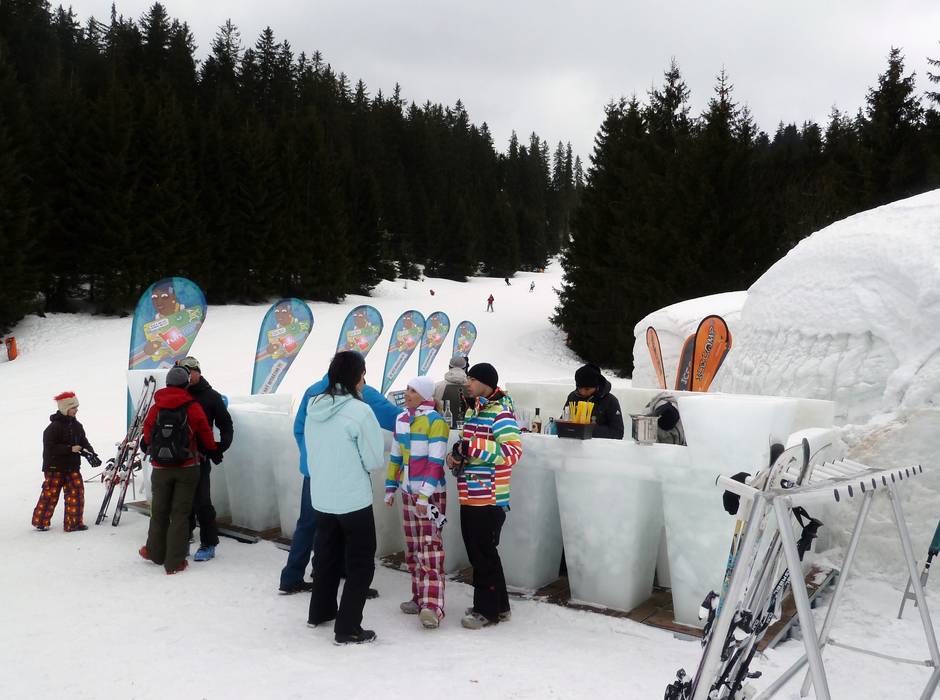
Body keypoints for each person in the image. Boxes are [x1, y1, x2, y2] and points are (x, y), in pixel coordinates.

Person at [280, 370, 398, 595]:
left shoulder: (313, 391)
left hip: (314, 471)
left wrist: (310, 457)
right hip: (344, 475)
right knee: (348, 527)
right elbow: (392, 416)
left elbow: (299, 428)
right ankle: (344, 576)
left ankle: (294, 576)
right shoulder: (359, 391)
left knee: (310, 524)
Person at [304, 351, 386, 645]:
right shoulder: (360, 411)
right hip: (352, 499)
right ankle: (348, 627)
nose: (364, 380)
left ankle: (320, 611)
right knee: (361, 562)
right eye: (363, 374)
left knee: (327, 556)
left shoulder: (314, 405)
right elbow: (374, 459)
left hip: (322, 496)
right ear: (355, 376)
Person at [447, 362, 522, 629]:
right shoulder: (474, 411)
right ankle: (499, 606)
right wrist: (456, 456)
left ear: (487, 383)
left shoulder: (501, 413)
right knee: (482, 553)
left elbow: (512, 452)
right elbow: (469, 447)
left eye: (473, 379)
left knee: (483, 556)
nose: (467, 383)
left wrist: (472, 447)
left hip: (489, 497)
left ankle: (486, 611)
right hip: (470, 493)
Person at [139, 366, 220, 575]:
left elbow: (147, 433)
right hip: (187, 468)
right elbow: (205, 432)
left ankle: (155, 553)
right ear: (186, 385)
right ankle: (174, 562)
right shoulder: (192, 406)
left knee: (159, 511)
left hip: (160, 468)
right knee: (180, 514)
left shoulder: (156, 407)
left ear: (167, 384)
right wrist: (213, 450)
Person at [384, 376, 450, 629]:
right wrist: (390, 487)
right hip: (407, 493)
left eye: (413, 390)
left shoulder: (435, 421)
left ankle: (432, 607)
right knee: (413, 548)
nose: (408, 393)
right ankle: (419, 596)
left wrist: (424, 495)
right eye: (407, 389)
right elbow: (396, 457)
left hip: (430, 495)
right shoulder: (401, 419)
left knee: (430, 548)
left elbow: (436, 462)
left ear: (424, 395)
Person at [176, 356, 233, 562]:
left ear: (198, 372)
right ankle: (184, 536)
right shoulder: (177, 394)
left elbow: (226, 425)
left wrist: (219, 447)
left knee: (202, 502)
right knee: (182, 502)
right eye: (183, 372)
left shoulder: (211, 396)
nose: (186, 376)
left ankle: (209, 543)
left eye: (189, 371)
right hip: (177, 458)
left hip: (200, 457)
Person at [32, 391, 95, 532]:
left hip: (72, 466)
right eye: (73, 408)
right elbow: (50, 447)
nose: (76, 410)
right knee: (50, 495)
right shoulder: (53, 427)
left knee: (76, 493)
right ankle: (41, 521)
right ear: (65, 408)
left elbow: (83, 442)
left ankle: (74, 523)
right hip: (54, 467)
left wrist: (90, 452)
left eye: (77, 407)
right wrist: (69, 449)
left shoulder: (77, 426)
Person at [562, 363, 624, 439]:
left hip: (599, 445)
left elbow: (618, 432)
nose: (583, 392)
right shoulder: (573, 396)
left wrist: (589, 429)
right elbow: (564, 420)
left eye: (587, 389)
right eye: (580, 388)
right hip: (572, 443)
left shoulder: (610, 401)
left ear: (596, 386)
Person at [433, 355, 469, 426]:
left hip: (440, 428)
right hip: (467, 429)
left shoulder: (436, 387)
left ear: (449, 367)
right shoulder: (472, 388)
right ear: (465, 369)